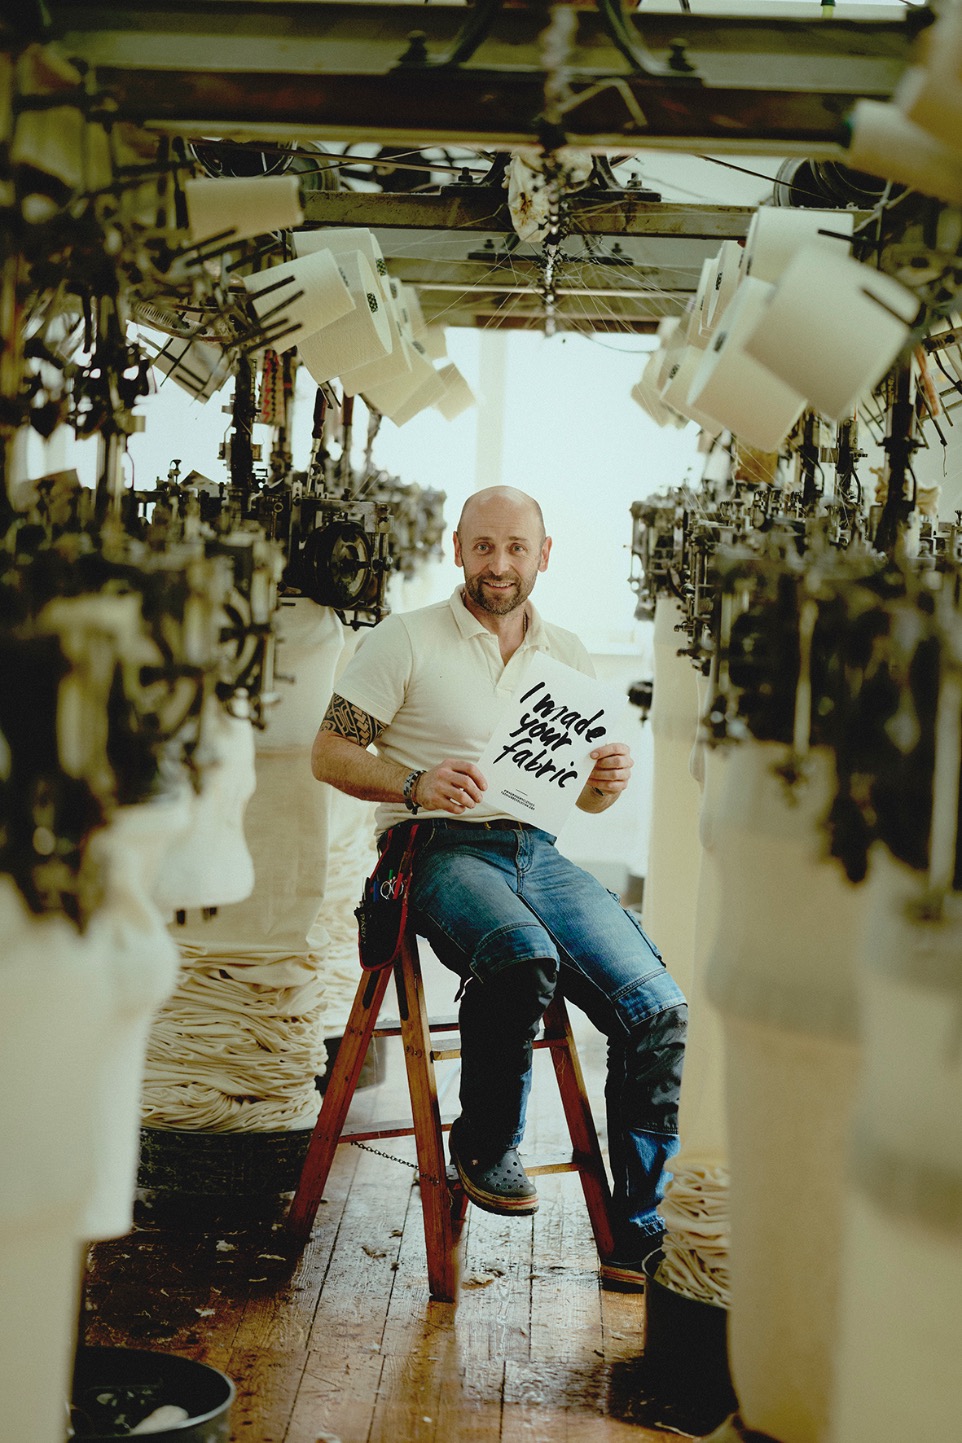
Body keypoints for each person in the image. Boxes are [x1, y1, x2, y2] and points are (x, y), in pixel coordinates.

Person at [310, 485, 686, 1290]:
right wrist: (414, 782)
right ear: (457, 549)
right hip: (434, 846)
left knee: (658, 1008)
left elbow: (578, 797)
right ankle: (485, 1146)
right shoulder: (402, 637)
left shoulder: (569, 654)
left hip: (535, 851)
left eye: (516, 547)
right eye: (484, 546)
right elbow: (329, 752)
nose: (500, 564)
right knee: (520, 957)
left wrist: (606, 782)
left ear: (543, 554)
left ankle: (638, 1229)